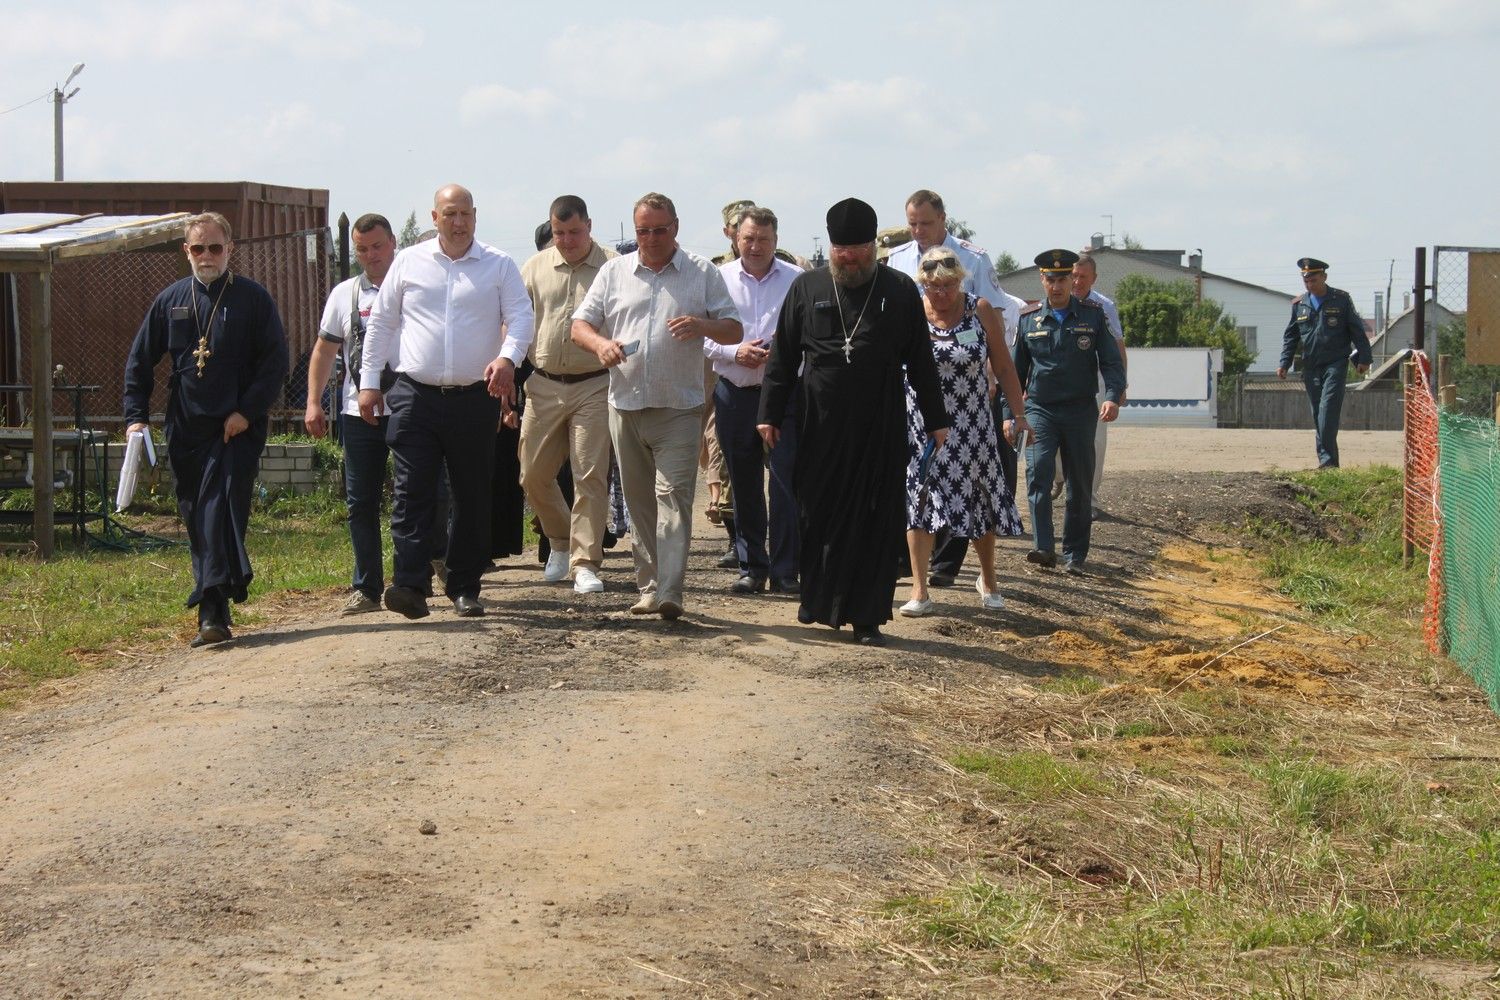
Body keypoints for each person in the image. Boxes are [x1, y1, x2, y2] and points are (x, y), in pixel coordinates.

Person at [758, 197, 949, 647]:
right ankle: (818, 602)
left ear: (873, 246)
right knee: (818, 510)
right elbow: (783, 356)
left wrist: (936, 418)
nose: (849, 257)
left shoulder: (899, 289)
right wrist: (768, 413)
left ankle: (867, 616)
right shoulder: (807, 287)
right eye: (841, 249)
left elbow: (921, 361)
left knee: (874, 518)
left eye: (858, 248)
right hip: (819, 422)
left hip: (880, 420)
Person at [358, 183, 534, 619]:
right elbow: (381, 323)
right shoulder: (409, 263)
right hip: (414, 395)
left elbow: (521, 318)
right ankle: (410, 585)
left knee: (472, 494)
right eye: (450, 214)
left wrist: (508, 359)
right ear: (434, 218)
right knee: (411, 491)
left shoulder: (498, 265)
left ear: (476, 216)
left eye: (466, 215)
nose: (459, 223)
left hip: (475, 398)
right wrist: (368, 383)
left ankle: (464, 586)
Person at [571, 192, 743, 620]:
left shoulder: (701, 272)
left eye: (659, 230)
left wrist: (702, 325)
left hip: (679, 408)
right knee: (639, 503)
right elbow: (580, 325)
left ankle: (670, 590)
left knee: (673, 497)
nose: (650, 239)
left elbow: (733, 327)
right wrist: (601, 345)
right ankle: (648, 588)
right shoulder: (614, 272)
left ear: (676, 228)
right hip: (625, 405)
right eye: (643, 231)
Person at [123, 212, 289, 647]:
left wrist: (247, 412)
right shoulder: (171, 299)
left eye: (215, 248)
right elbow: (140, 361)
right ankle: (216, 605)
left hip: (235, 428)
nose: (207, 256)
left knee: (223, 510)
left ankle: (212, 609)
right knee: (198, 516)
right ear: (187, 251)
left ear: (230, 249)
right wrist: (134, 416)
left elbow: (275, 364)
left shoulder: (253, 299)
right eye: (199, 249)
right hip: (187, 428)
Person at [886, 189, 1024, 588]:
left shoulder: (973, 258)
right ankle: (916, 575)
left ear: (943, 219)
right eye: (912, 223)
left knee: (973, 484)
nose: (918, 231)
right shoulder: (897, 260)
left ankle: (953, 564)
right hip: (917, 396)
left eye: (925, 223)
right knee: (921, 484)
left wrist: (995, 378)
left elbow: (994, 320)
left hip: (969, 391)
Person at [900, 249, 1030, 617]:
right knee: (920, 500)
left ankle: (988, 580)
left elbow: (1003, 366)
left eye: (949, 285)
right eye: (933, 286)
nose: (941, 293)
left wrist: (1018, 414)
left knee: (979, 501)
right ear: (922, 284)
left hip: (972, 423)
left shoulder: (980, 309)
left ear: (961, 281)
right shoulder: (910, 313)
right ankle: (920, 589)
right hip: (922, 423)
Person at [1001, 249, 1125, 575]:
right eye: (1050, 279)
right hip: (1041, 409)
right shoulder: (1029, 320)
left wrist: (1112, 396)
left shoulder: (1092, 316)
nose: (1056, 286)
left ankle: (1074, 555)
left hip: (1081, 411)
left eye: (1062, 279)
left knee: (1079, 485)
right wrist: (1009, 414)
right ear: (1042, 280)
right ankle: (1043, 548)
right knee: (1038, 474)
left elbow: (1111, 362)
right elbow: (1013, 375)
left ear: (1073, 279)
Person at [304, 213, 400, 615]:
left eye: (377, 246)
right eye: (361, 249)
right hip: (356, 410)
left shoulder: (413, 285)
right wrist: (313, 402)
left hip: (408, 406)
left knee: (423, 495)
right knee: (360, 502)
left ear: (393, 243)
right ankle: (367, 587)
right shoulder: (345, 293)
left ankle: (422, 571)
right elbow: (325, 351)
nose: (370, 255)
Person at [519, 195, 615, 594]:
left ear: (589, 226)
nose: (567, 240)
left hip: (595, 382)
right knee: (532, 475)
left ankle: (585, 561)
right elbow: (516, 319)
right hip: (543, 384)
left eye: (574, 232)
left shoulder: (613, 266)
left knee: (589, 474)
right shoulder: (535, 267)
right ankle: (560, 540)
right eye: (559, 233)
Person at [711, 206, 802, 594]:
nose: (755, 246)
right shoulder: (717, 280)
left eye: (763, 239)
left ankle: (786, 571)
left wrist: (783, 354)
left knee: (785, 483)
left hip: (786, 395)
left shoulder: (799, 281)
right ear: (735, 238)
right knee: (744, 483)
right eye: (748, 238)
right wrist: (734, 352)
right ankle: (752, 567)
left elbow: (813, 336)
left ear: (776, 241)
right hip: (735, 392)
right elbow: (698, 334)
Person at [1277, 257, 1372, 469]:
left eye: (1314, 280)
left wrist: (1364, 358)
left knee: (1328, 410)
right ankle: (1328, 463)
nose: (1310, 284)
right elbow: (1291, 336)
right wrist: (1285, 362)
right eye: (1306, 281)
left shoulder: (1341, 299)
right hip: (1310, 366)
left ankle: (1328, 462)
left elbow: (1356, 329)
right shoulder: (1300, 305)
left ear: (1324, 277)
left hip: (1335, 363)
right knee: (1318, 413)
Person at [1069, 250, 1127, 518]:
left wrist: (1120, 387)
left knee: (1096, 440)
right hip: (1062, 378)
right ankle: (1061, 479)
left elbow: (1117, 346)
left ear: (1093, 278)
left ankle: (1089, 499)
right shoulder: (1057, 302)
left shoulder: (1104, 306)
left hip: (1097, 378)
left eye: (1083, 277)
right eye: (1073, 276)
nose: (1077, 282)